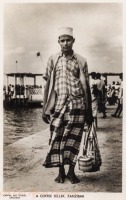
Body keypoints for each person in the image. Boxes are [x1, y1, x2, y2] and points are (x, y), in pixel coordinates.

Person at [42, 27, 93, 184]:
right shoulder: (53, 59)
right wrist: (45, 109)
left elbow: (86, 87)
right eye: (62, 40)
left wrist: (89, 111)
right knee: (57, 137)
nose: (65, 43)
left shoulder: (81, 60)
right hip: (59, 105)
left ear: (73, 41)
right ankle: (60, 172)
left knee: (74, 139)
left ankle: (71, 172)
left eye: (68, 40)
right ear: (58, 42)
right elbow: (48, 85)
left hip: (78, 105)